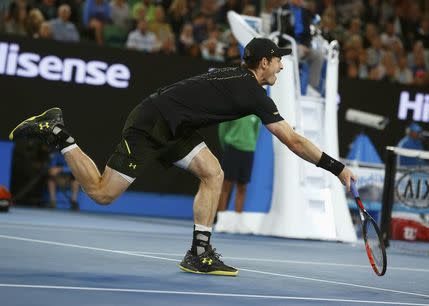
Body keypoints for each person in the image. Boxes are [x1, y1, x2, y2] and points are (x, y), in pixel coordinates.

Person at [9, 37, 356, 277]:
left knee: (213, 172)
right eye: (278, 60)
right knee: (101, 193)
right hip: (153, 123)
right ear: (263, 63)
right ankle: (56, 132)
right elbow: (293, 141)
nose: (281, 67)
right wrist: (336, 168)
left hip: (175, 125)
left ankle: (199, 253)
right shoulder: (252, 92)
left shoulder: (235, 76)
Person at [217, 115, 260, 216]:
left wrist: (250, 144)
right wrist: (227, 145)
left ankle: (237, 220)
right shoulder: (234, 108)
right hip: (232, 149)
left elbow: (256, 131)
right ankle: (222, 219)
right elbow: (223, 130)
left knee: (242, 186)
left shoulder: (256, 112)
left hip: (248, 151)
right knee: (226, 185)